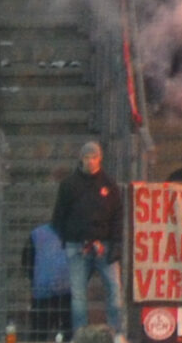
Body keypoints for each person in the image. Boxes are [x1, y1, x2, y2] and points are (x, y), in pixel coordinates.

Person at [50, 142, 124, 334]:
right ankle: (80, 335)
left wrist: (116, 243)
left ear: (100, 159)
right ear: (81, 159)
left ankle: (116, 335)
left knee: (115, 292)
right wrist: (71, 239)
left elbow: (117, 215)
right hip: (77, 246)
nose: (90, 161)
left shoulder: (110, 184)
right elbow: (58, 217)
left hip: (105, 245)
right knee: (79, 297)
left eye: (94, 157)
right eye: (87, 157)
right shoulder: (69, 185)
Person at [22, 223, 72, 341]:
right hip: (67, 289)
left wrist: (35, 279)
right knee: (67, 330)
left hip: (41, 290)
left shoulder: (37, 234)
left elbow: (26, 260)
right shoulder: (72, 231)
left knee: (39, 332)